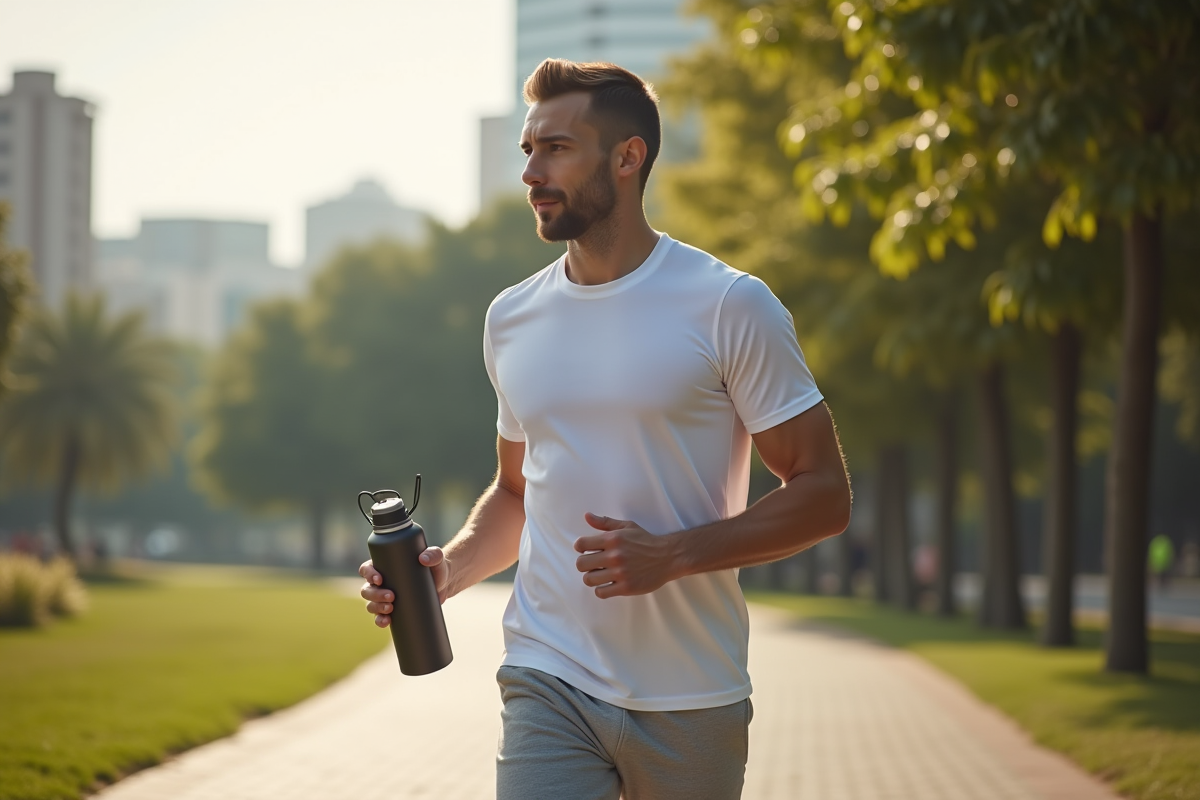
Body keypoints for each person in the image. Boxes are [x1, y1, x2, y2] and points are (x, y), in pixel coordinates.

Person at [360, 58, 852, 800]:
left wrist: (675, 555)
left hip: (690, 694)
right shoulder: (512, 318)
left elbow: (823, 493)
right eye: (528, 150)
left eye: (556, 148)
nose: (531, 172)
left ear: (628, 158)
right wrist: (447, 573)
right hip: (548, 673)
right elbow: (517, 492)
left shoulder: (728, 305)